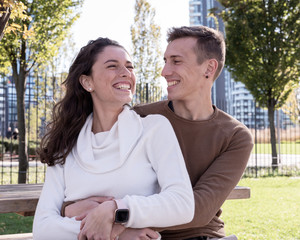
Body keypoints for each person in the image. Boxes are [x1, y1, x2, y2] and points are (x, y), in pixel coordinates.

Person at [64, 26, 254, 240]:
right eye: (165, 61)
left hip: (200, 236)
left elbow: (198, 210)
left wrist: (118, 217)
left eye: (176, 61)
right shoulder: (139, 118)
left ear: (209, 68)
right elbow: (89, 185)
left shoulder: (236, 136)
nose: (164, 71)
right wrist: (74, 210)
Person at [32, 37, 195, 240]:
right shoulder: (65, 144)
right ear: (87, 82)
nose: (126, 73)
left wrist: (115, 209)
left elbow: (182, 205)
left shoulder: (154, 129)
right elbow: (43, 228)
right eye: (112, 66)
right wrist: (120, 233)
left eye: (129, 67)